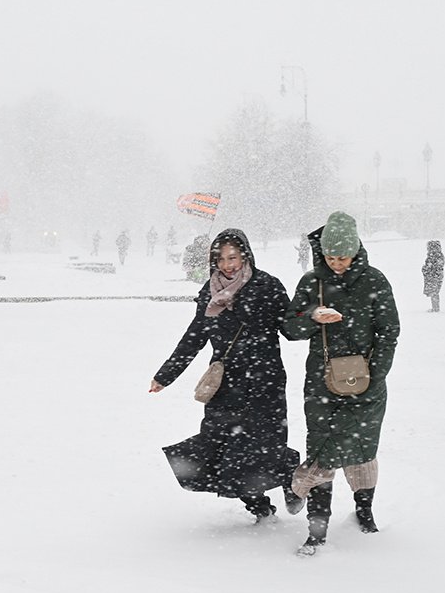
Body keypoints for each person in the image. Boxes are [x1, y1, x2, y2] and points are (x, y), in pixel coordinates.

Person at [149, 229, 300, 523]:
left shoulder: (266, 285)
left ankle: (291, 473)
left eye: (233, 257)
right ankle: (260, 508)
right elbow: (195, 336)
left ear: (245, 255)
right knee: (223, 449)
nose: (228, 264)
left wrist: (312, 315)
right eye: (221, 259)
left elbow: (291, 330)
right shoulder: (210, 291)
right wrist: (166, 375)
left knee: (261, 447)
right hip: (224, 384)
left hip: (263, 381)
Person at [282, 211, 400, 556]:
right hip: (322, 384)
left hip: (367, 382)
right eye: (330, 257)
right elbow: (289, 327)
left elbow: (389, 331)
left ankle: (363, 511)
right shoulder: (311, 282)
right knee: (322, 448)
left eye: (343, 257)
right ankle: (317, 531)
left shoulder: (375, 281)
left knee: (362, 451)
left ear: (356, 251)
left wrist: (374, 375)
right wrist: (312, 316)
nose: (336, 264)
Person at [422, 239, 444, 312]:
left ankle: (435, 308)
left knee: (434, 292)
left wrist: (425, 269)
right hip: (435, 276)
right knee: (434, 292)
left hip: (433, 277)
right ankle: (435, 308)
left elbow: (433, 267)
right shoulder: (438, 255)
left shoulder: (434, 256)